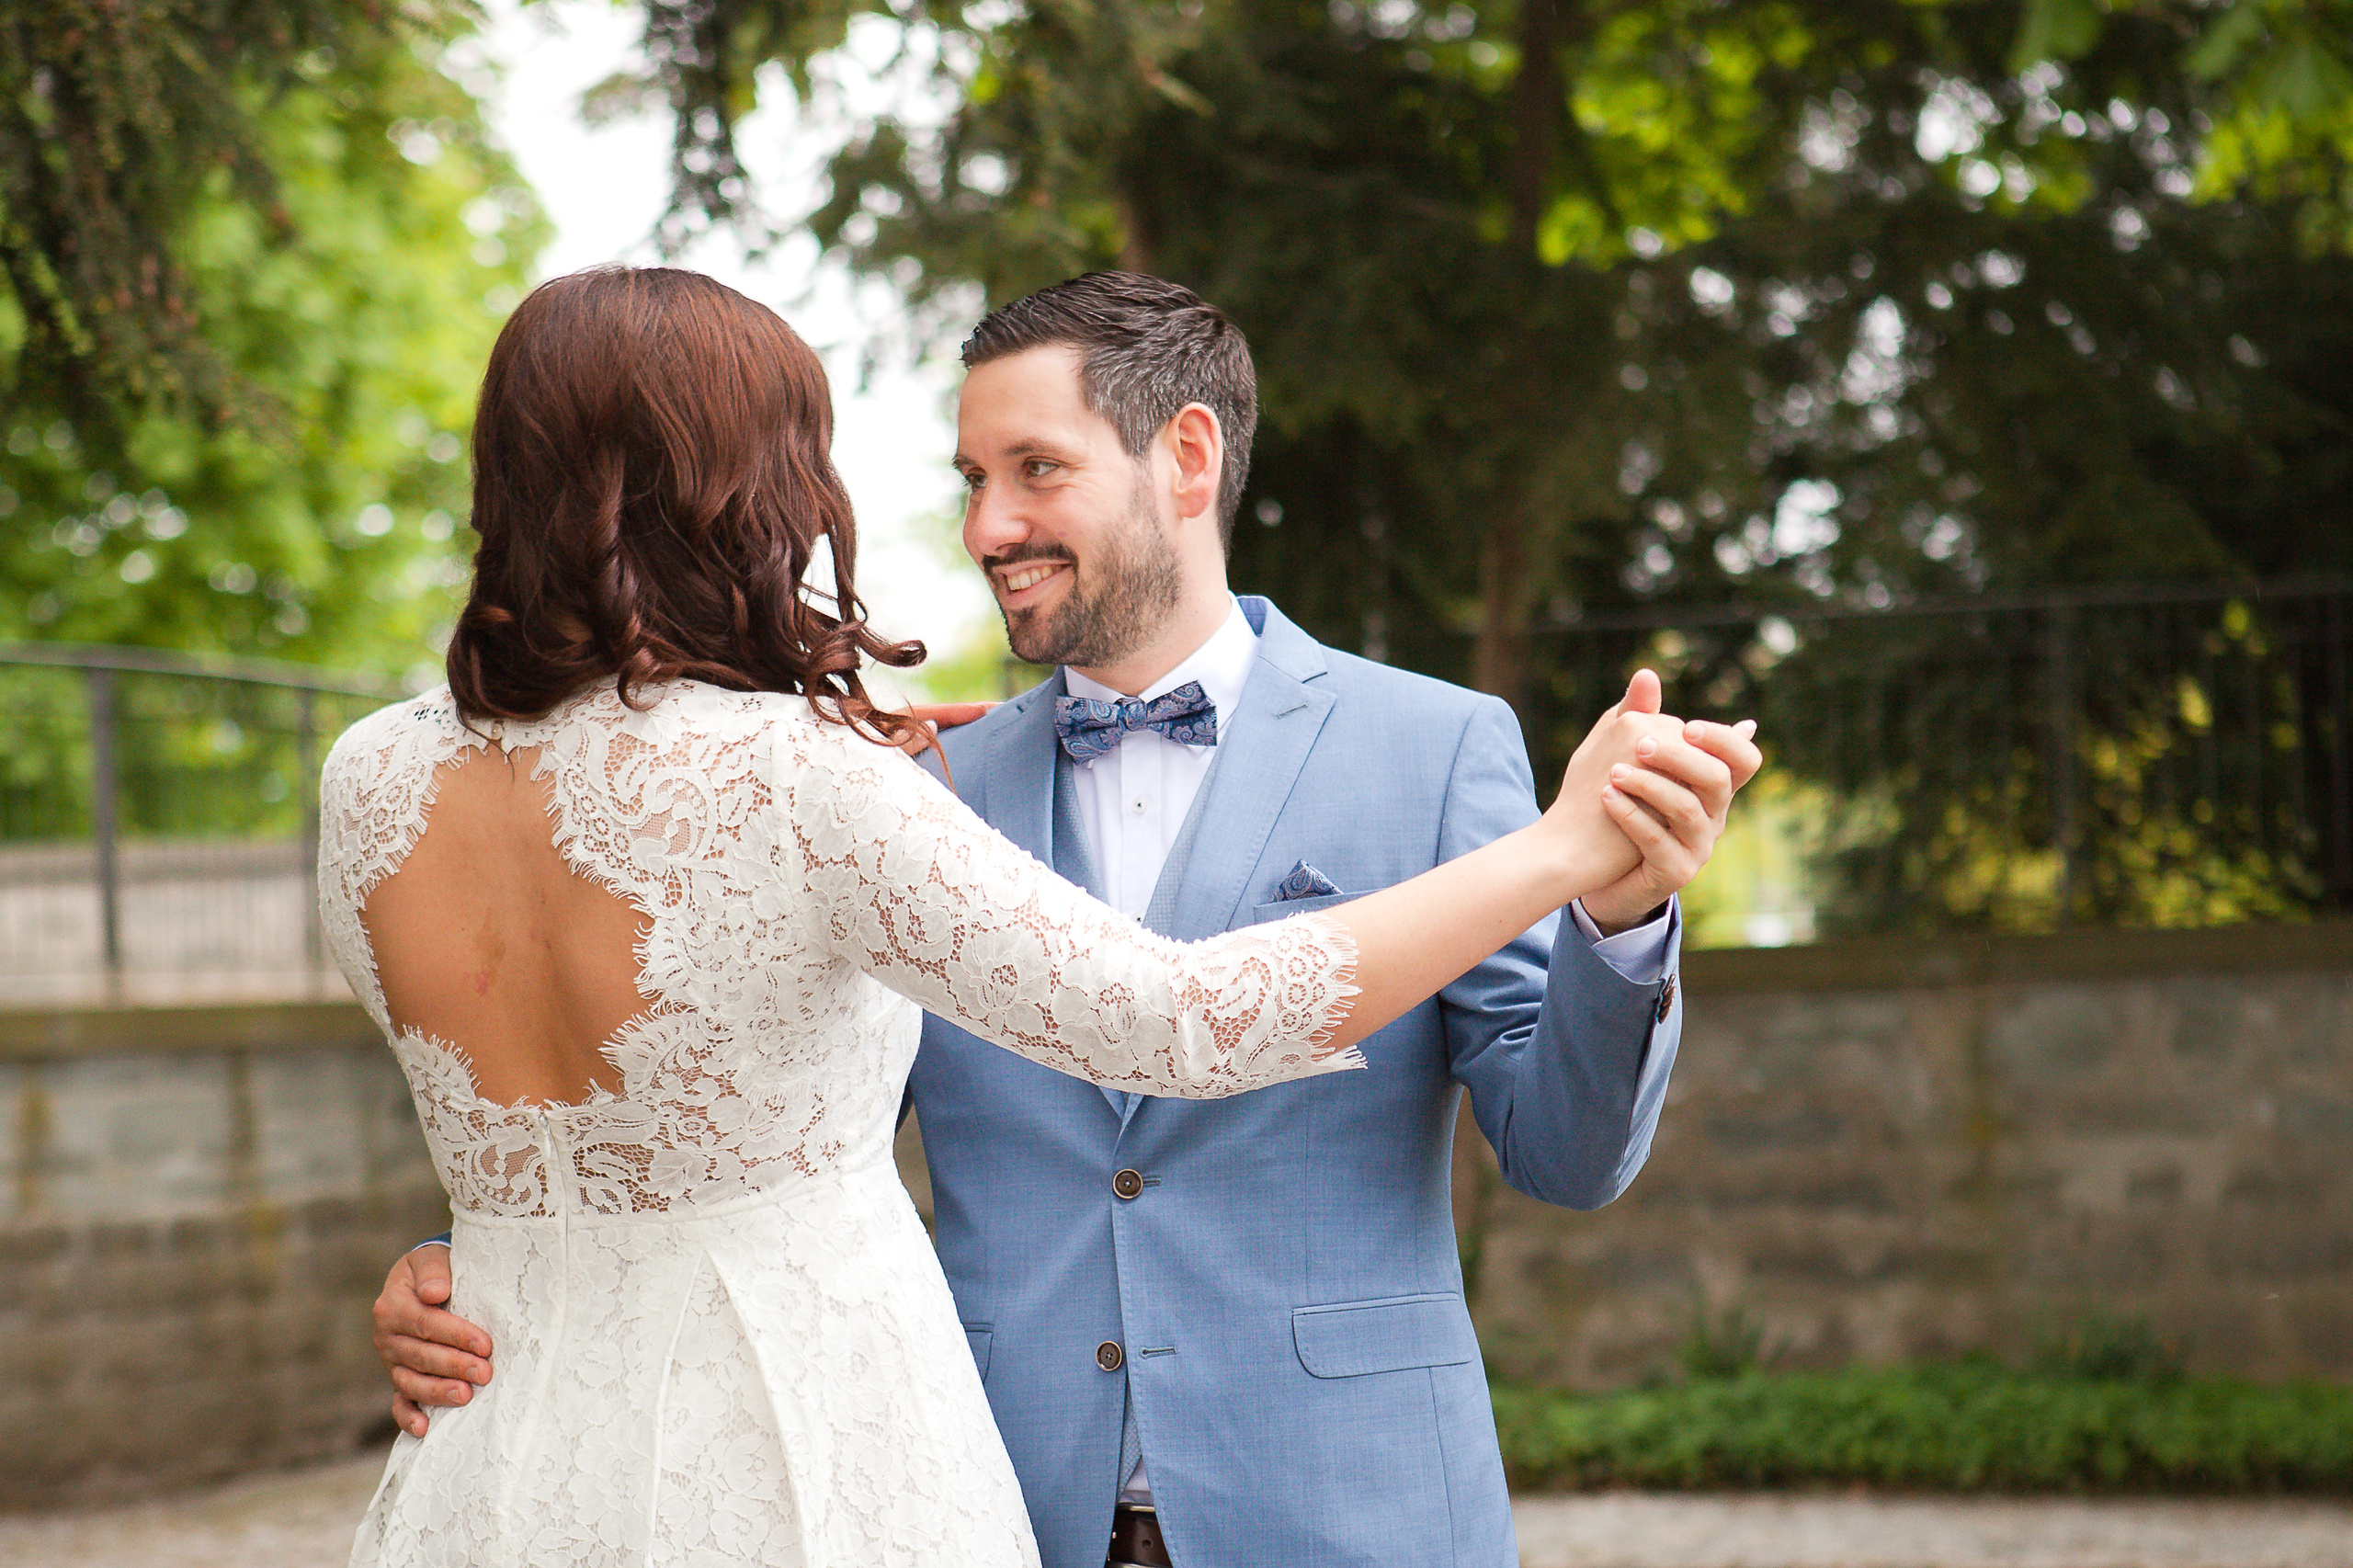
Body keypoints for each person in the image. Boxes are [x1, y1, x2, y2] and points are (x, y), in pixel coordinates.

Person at [329, 265, 1735, 1567]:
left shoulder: (1431, 746)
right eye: (969, 479)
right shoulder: (894, 781)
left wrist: (1612, 918)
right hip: (984, 1488)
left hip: (1341, 1505)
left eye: (1035, 471)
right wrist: (484, 1259)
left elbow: (1564, 1154)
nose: (985, 525)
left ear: (1187, 458)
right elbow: (744, 1108)